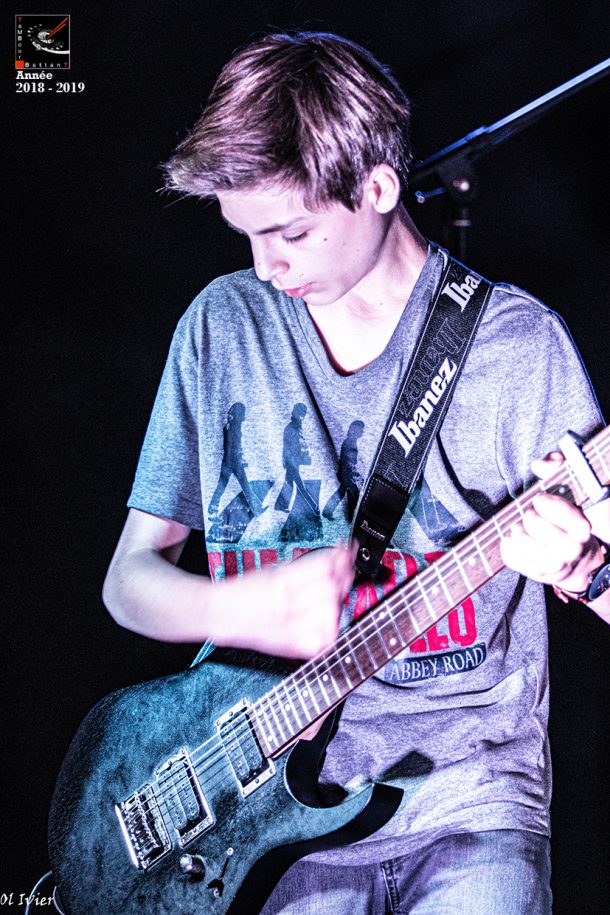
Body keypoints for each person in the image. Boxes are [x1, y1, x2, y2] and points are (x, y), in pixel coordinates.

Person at [102, 31, 610, 914]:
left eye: (291, 233)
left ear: (377, 188)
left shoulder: (519, 349)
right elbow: (128, 582)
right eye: (245, 235)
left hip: (468, 805)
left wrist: (582, 566)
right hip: (257, 818)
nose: (266, 267)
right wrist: (240, 608)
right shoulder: (223, 326)